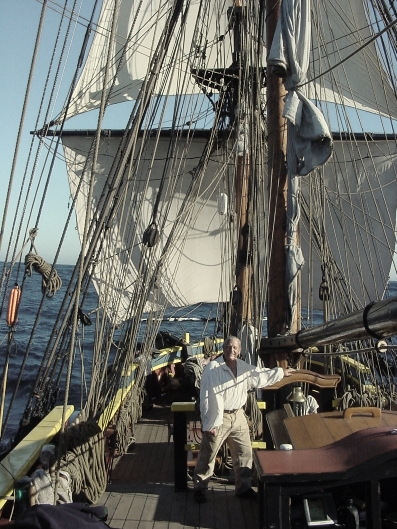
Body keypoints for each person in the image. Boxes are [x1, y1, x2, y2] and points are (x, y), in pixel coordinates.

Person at [193, 335, 295, 503]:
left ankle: (243, 488)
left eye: (235, 347)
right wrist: (209, 422)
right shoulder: (212, 368)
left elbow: (260, 375)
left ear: (239, 351)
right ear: (224, 348)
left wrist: (280, 372)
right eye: (228, 346)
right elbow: (204, 397)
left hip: (238, 415)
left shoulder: (243, 367)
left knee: (244, 453)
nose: (231, 350)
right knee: (209, 453)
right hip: (220, 417)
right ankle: (200, 487)